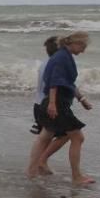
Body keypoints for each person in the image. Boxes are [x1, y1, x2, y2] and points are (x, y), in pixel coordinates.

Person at [33, 31, 94, 186]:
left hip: (60, 103)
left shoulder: (64, 56)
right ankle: (76, 177)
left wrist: (81, 99)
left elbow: (68, 82)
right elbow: (54, 81)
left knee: (62, 136)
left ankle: (40, 163)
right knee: (77, 137)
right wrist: (52, 104)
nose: (83, 50)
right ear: (75, 43)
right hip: (57, 103)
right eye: (83, 46)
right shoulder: (61, 57)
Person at [26, 36, 69, 176]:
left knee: (46, 137)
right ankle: (35, 166)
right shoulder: (54, 64)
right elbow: (54, 86)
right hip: (47, 104)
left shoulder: (46, 63)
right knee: (61, 135)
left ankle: (38, 164)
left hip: (39, 103)